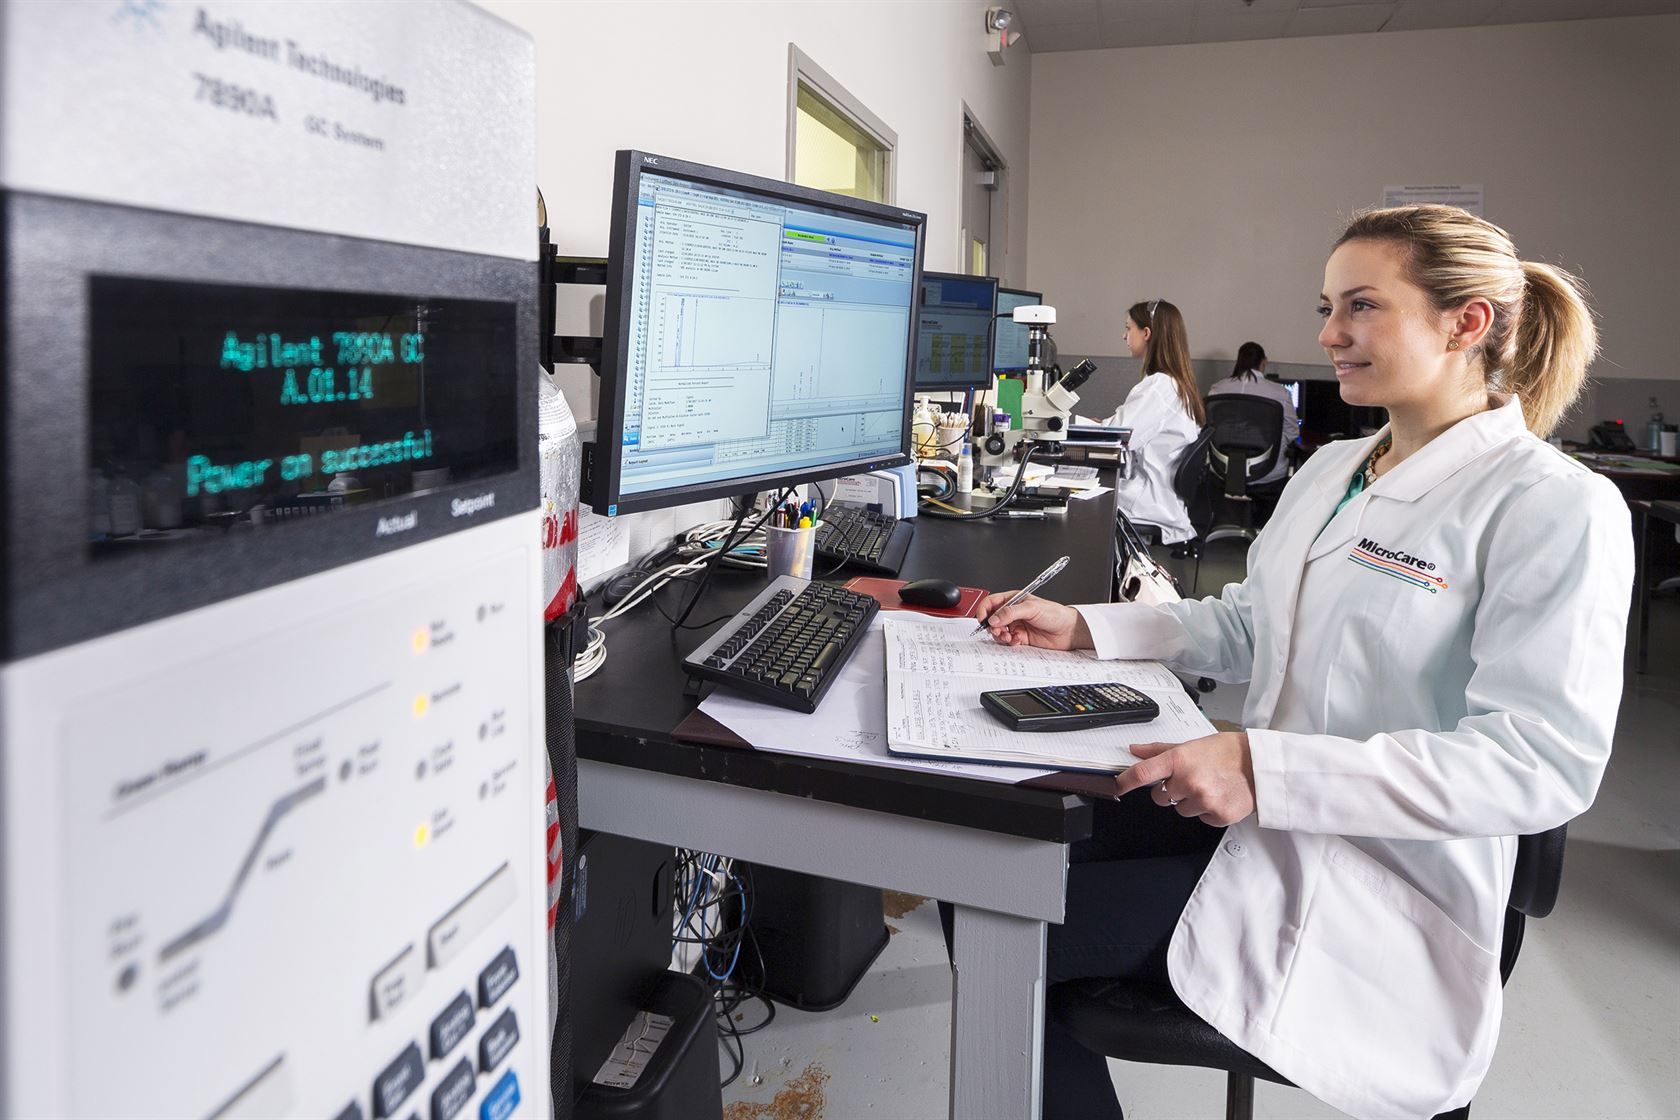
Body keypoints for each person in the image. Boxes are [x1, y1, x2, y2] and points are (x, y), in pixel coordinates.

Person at [978, 205, 1632, 1120]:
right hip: (1266, 819)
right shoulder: (1333, 471)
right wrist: (1090, 629)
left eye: (1360, 307)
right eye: (1327, 306)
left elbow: (1540, 763)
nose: (1327, 335)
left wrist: (1262, 763)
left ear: (1467, 322)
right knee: (986, 867)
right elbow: (1249, 621)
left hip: (1380, 873)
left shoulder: (1552, 505)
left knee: (1016, 931)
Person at [1096, 299, 1205, 547]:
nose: (1124, 336)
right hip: (1161, 495)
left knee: (1074, 501)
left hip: (1148, 500)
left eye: (1128, 328)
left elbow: (1115, 437)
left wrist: (1073, 425)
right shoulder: (1176, 383)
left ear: (1146, 333)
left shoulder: (1160, 386)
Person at [1205, 340, 1300, 486]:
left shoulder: (1217, 389)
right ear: (1264, 362)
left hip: (1222, 468)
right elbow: (1292, 433)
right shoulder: (1280, 393)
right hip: (1267, 471)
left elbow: (1208, 428)